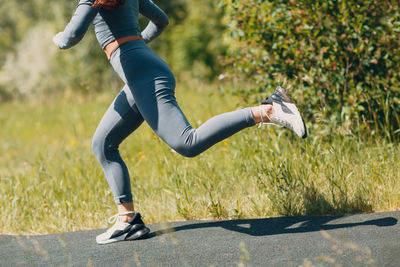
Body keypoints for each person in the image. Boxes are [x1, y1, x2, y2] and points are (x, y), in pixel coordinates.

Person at [53, 0, 307, 245]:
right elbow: (161, 21)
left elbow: (71, 37)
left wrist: (57, 38)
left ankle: (270, 109)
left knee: (187, 142)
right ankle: (128, 221)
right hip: (142, 70)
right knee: (103, 144)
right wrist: (136, 43)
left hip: (143, 74)